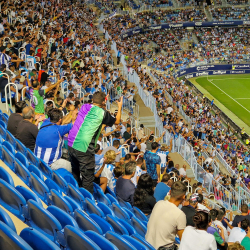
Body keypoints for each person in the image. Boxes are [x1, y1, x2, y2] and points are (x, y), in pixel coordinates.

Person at [68, 92, 123, 193]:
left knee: (75, 171)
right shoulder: (102, 113)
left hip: (71, 142)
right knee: (87, 178)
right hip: (84, 146)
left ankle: (75, 194)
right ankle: (87, 204)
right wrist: (119, 107)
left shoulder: (85, 106)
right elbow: (117, 121)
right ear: (103, 102)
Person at [146, 181, 187, 249]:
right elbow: (184, 241)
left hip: (147, 245)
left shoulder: (158, 203)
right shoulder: (180, 215)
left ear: (170, 192)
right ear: (184, 197)